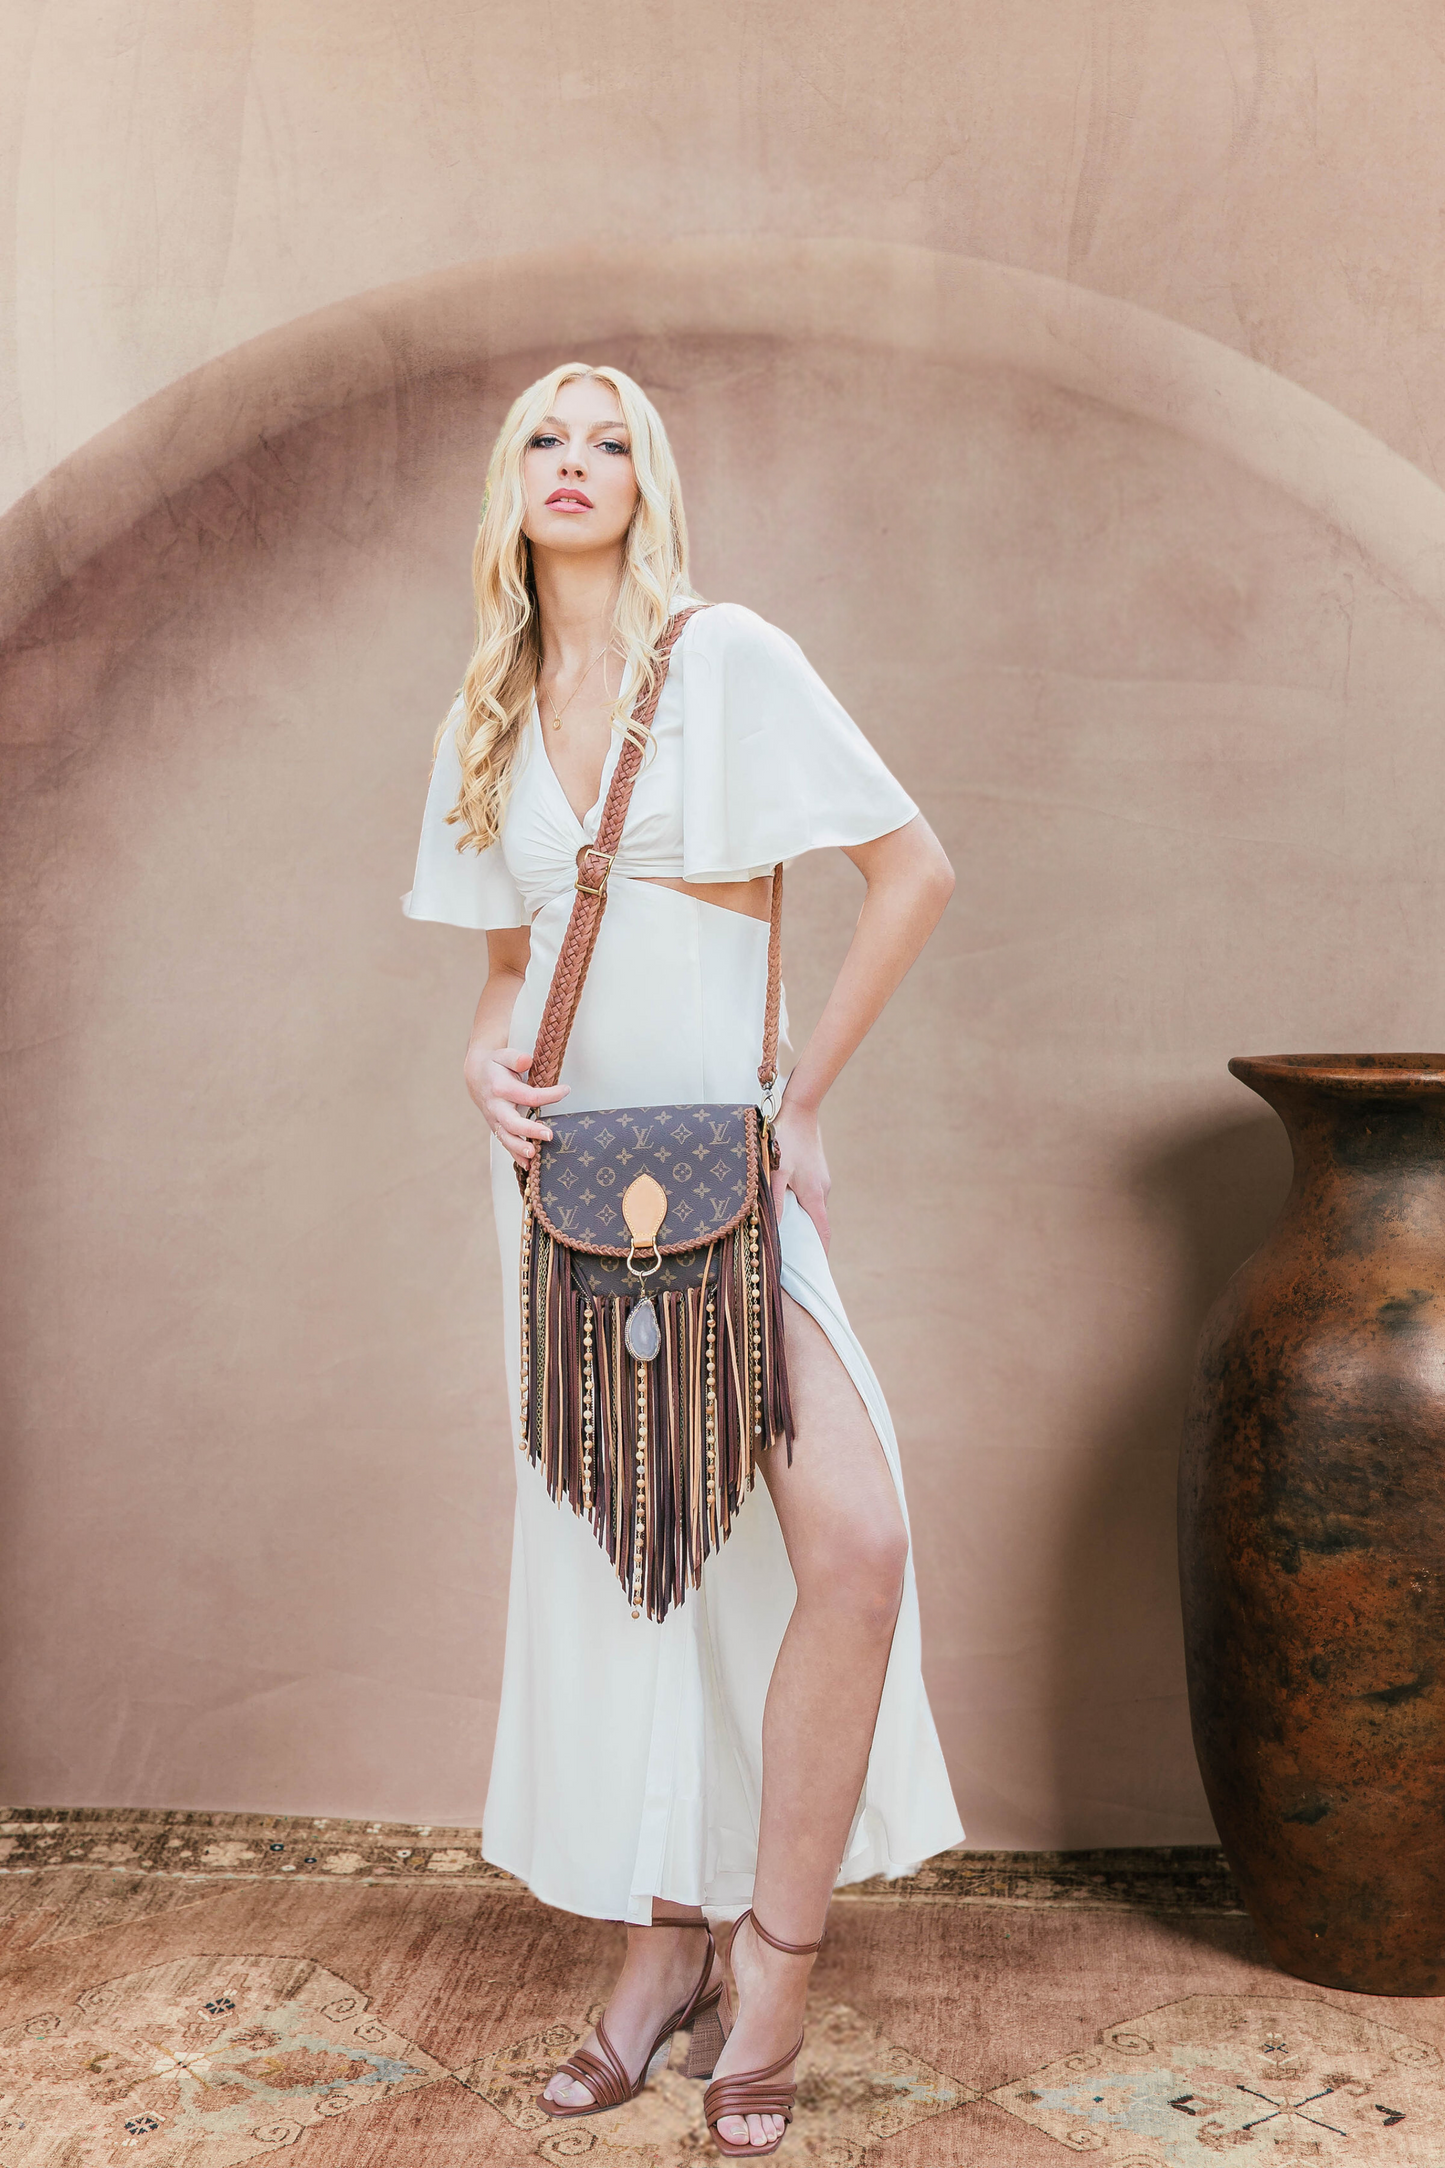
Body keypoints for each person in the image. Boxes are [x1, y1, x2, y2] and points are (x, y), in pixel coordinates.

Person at [403, 361, 963, 2158]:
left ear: (648, 482)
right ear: (511, 485)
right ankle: (658, 1960)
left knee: (852, 1546)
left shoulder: (725, 662)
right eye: (545, 438)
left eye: (610, 439)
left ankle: (770, 1974)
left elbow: (914, 871)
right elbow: (506, 973)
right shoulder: (485, 715)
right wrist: (479, 1062)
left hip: (723, 1184)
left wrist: (802, 1103)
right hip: (559, 1195)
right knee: (646, 1571)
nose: (575, 462)